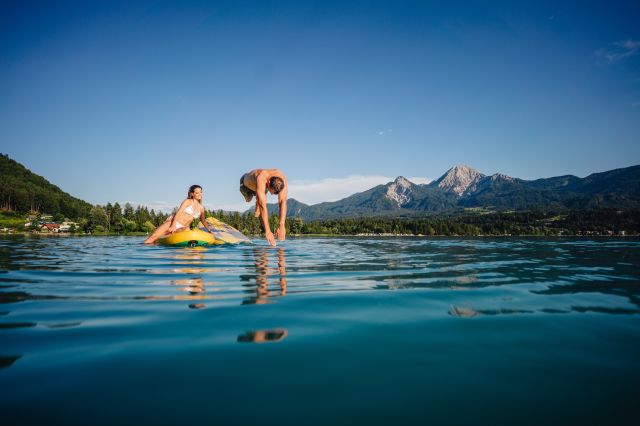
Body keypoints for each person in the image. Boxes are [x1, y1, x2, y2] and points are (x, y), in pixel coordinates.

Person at [143, 184, 214, 244]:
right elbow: (178, 212)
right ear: (192, 194)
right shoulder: (188, 201)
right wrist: (173, 225)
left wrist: (209, 230)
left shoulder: (201, 207)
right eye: (197, 193)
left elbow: (203, 220)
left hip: (185, 227)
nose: (200, 194)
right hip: (175, 223)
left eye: (201, 192)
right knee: (153, 237)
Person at [240, 169, 287, 246]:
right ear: (268, 182)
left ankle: (258, 199)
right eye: (271, 192)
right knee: (248, 200)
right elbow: (263, 207)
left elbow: (283, 202)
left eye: (274, 193)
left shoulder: (282, 179)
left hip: (259, 188)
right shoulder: (261, 178)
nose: (271, 195)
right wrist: (268, 231)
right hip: (246, 185)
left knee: (262, 193)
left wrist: (282, 225)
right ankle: (257, 199)